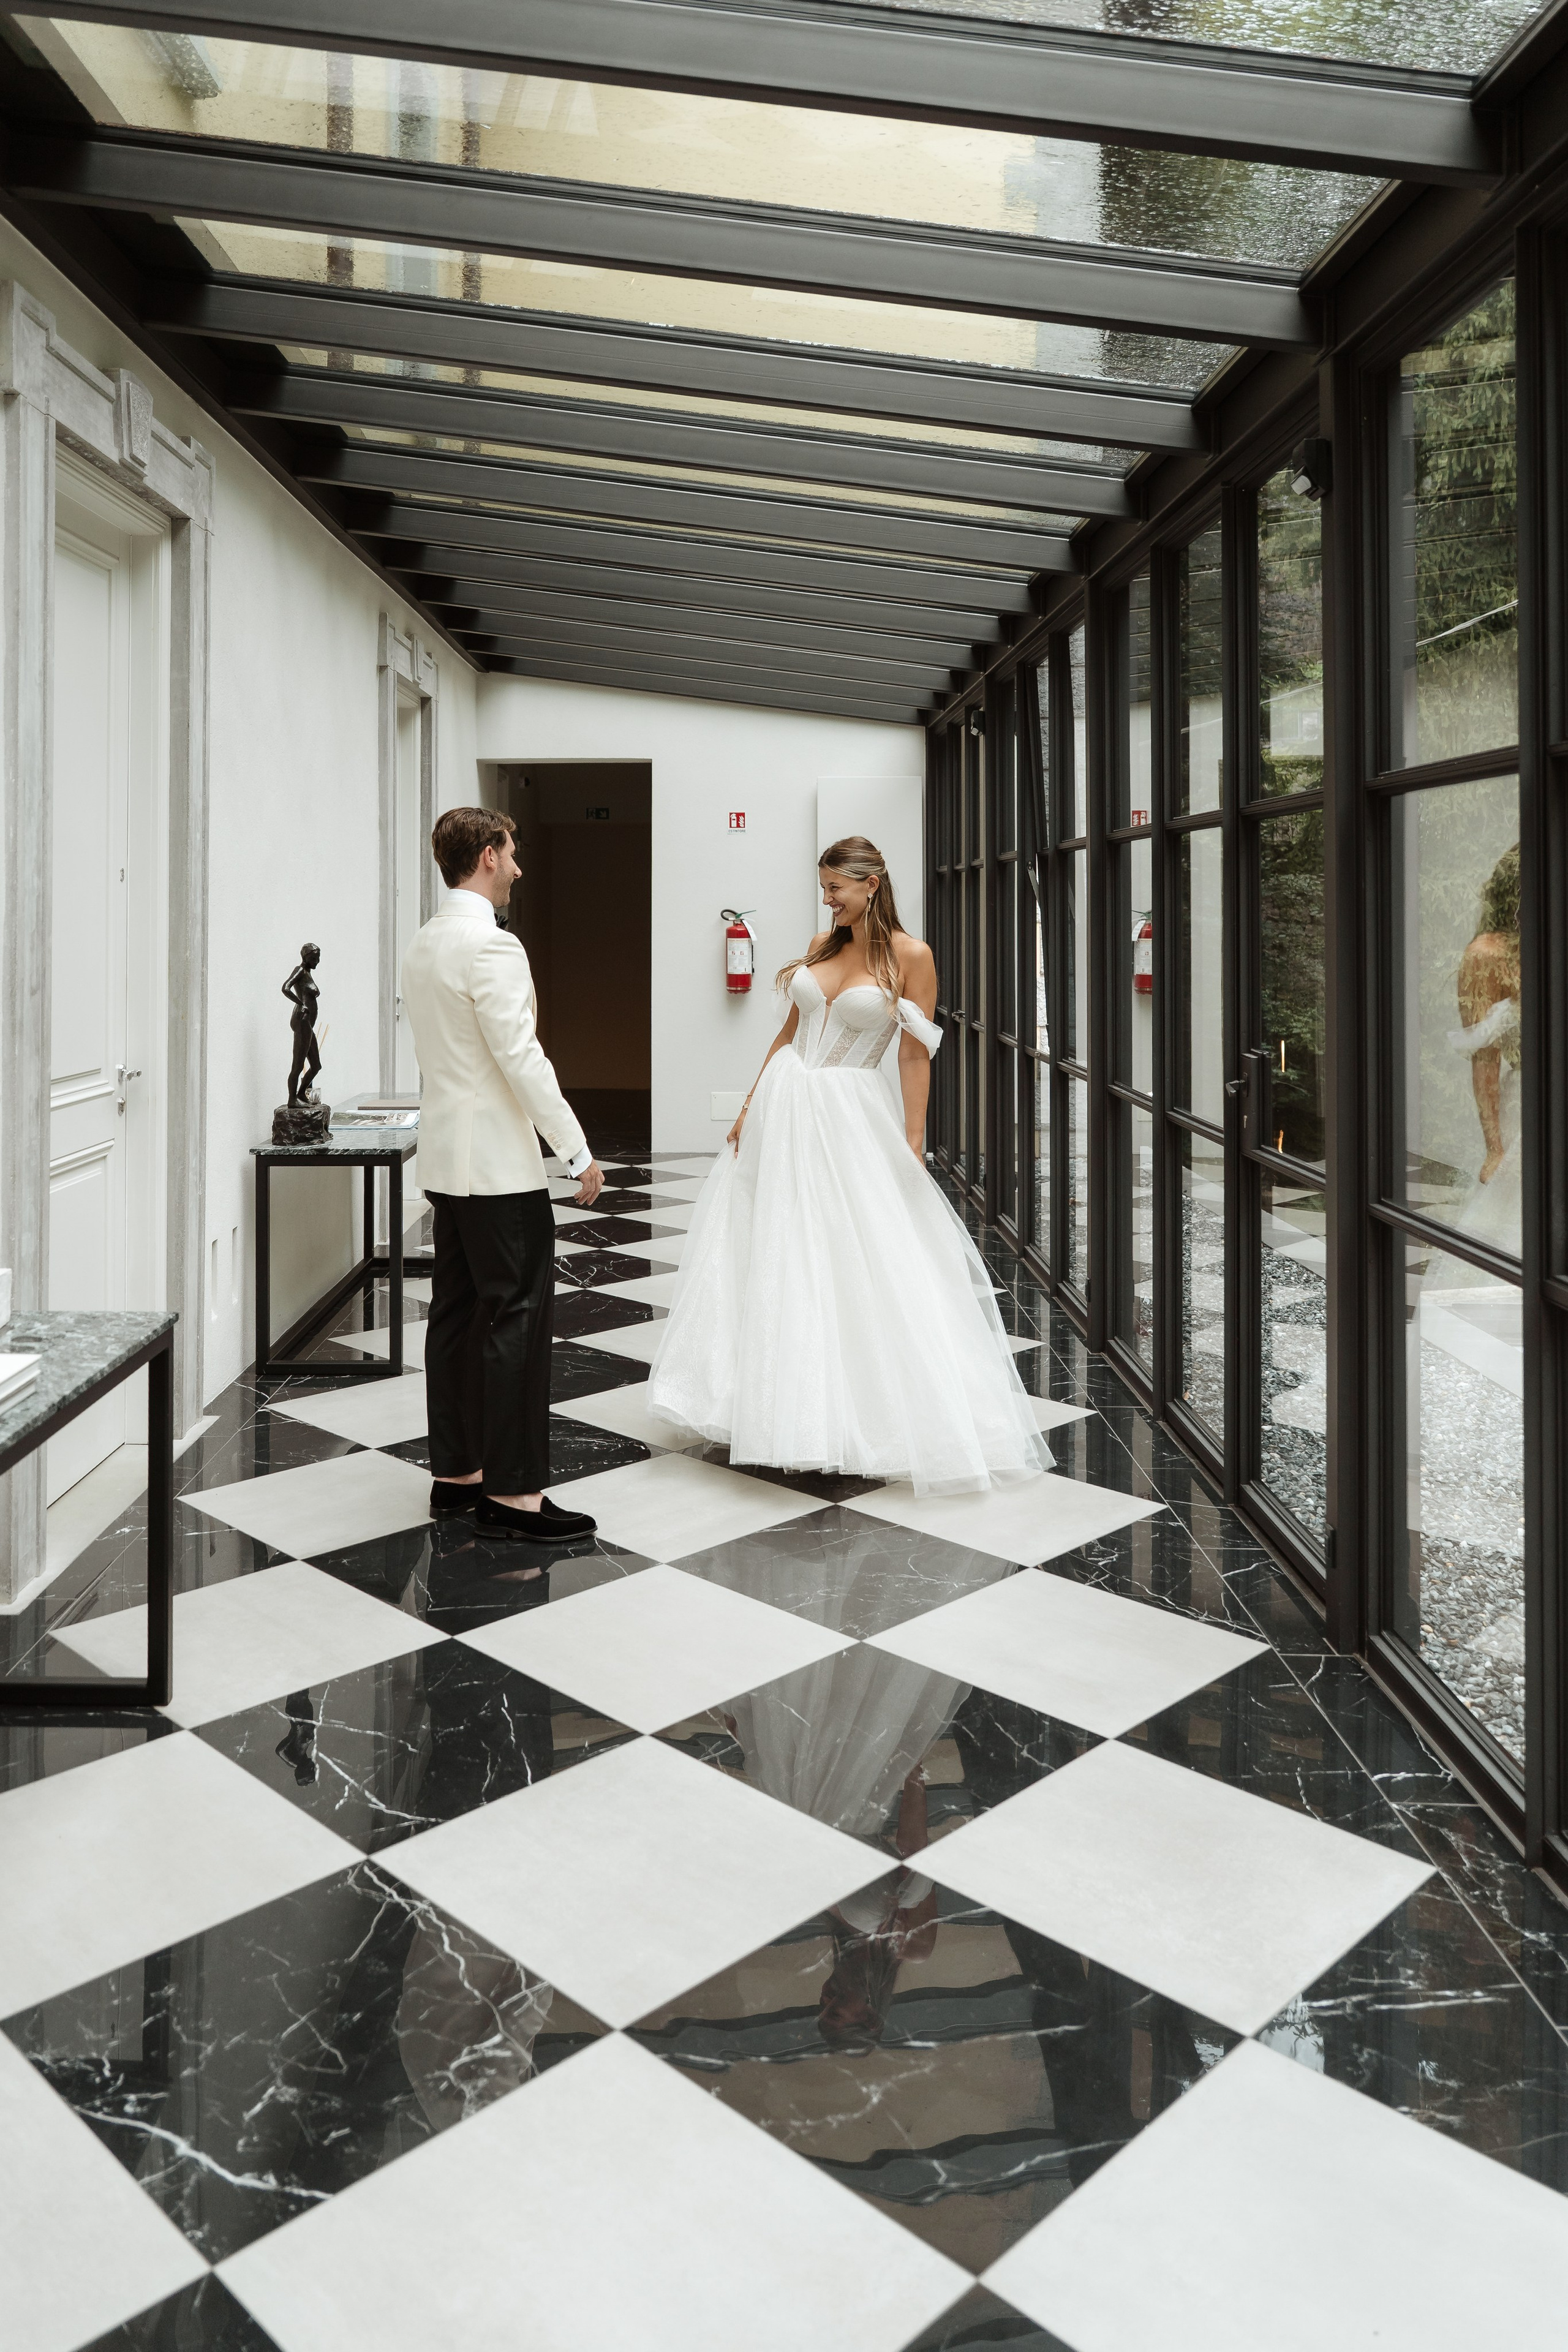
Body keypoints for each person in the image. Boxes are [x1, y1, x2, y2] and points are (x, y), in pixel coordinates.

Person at [646, 836, 1050, 1494]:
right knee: (771, 1245)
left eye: (836, 887)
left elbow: (915, 1054)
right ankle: (757, 1402)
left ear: (872, 884)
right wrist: (750, 1104)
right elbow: (785, 1034)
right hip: (786, 1100)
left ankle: (850, 1413)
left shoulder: (912, 957)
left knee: (849, 1248)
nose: (827, 899)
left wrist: (913, 1140)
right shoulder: (821, 943)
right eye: (824, 887)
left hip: (849, 1114)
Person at [400, 805, 605, 1542]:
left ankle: (456, 1476)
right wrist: (576, 1150)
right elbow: (522, 1058)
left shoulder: (425, 942)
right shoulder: (491, 946)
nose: (518, 869)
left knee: (455, 1316)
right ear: (487, 855)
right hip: (497, 1170)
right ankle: (515, 1496)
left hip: (446, 1161)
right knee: (518, 1318)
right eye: (511, 855)